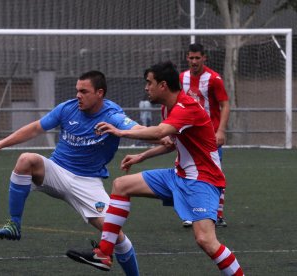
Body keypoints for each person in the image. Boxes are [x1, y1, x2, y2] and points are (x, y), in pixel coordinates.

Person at [66, 61, 244, 275]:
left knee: (206, 240)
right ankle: (104, 253)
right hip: (178, 176)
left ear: (163, 85)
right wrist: (141, 156)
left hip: (202, 181)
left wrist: (121, 132)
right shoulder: (167, 107)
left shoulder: (186, 107)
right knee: (122, 184)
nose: (146, 87)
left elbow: (159, 133)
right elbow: (169, 142)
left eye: (149, 83)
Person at [0, 70, 141, 276]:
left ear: (99, 93)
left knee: (115, 234)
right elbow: (35, 128)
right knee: (26, 159)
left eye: (84, 91)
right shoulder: (67, 108)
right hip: (56, 171)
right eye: (77, 90)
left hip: (87, 182)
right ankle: (14, 223)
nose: (78, 95)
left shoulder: (113, 115)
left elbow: (137, 129)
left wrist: (163, 137)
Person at [180, 43, 230, 228]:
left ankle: (217, 214)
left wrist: (221, 130)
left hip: (210, 136)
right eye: (190, 58)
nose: (194, 61)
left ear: (204, 58)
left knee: (214, 173)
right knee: (185, 172)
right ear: (187, 58)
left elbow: (225, 105)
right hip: (188, 136)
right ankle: (189, 214)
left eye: (197, 58)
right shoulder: (181, 78)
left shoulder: (214, 79)